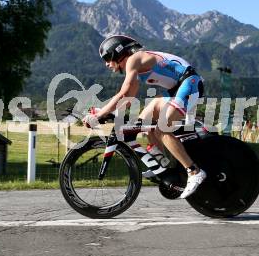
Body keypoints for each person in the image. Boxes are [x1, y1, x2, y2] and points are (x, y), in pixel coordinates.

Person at [82, 35, 206, 199]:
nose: (106, 63)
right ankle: (164, 166)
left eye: (107, 58)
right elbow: (127, 99)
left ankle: (194, 171)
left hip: (190, 83)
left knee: (162, 128)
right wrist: (107, 112)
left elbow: (124, 93)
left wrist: (100, 113)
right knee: (143, 124)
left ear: (118, 52)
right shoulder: (137, 69)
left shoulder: (134, 59)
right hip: (179, 90)